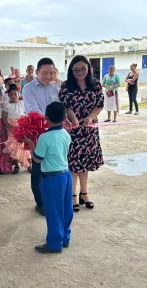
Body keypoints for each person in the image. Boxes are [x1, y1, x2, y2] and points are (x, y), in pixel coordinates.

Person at [23, 102, 72, 253]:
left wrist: (31, 144)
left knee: (53, 211)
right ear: (64, 117)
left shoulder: (45, 137)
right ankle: (64, 238)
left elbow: (37, 159)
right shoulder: (66, 133)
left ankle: (54, 243)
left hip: (52, 179)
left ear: (46, 117)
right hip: (66, 174)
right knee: (66, 209)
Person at [59, 55, 104, 212]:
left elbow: (99, 104)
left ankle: (84, 193)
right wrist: (73, 118)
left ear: (89, 68)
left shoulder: (96, 84)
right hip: (73, 129)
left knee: (85, 164)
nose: (80, 72)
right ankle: (73, 196)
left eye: (83, 68)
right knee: (73, 164)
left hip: (89, 129)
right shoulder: (66, 86)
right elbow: (66, 105)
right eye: (76, 69)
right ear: (71, 70)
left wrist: (90, 117)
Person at [22, 57, 60, 216]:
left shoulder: (54, 89)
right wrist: (52, 120)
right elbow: (33, 110)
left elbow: (59, 107)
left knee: (52, 166)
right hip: (37, 132)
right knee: (37, 168)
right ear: (37, 72)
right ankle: (40, 202)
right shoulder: (28, 89)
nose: (48, 76)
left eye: (51, 73)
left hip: (54, 132)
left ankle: (50, 198)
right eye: (44, 73)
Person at [2, 85, 31, 173]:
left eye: (15, 94)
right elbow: (4, 118)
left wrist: (25, 126)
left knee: (25, 146)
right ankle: (16, 166)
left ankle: (29, 165)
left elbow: (27, 115)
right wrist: (10, 127)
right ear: (8, 95)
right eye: (11, 95)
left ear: (18, 94)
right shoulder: (6, 104)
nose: (13, 96)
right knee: (13, 147)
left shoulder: (22, 102)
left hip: (22, 127)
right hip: (11, 128)